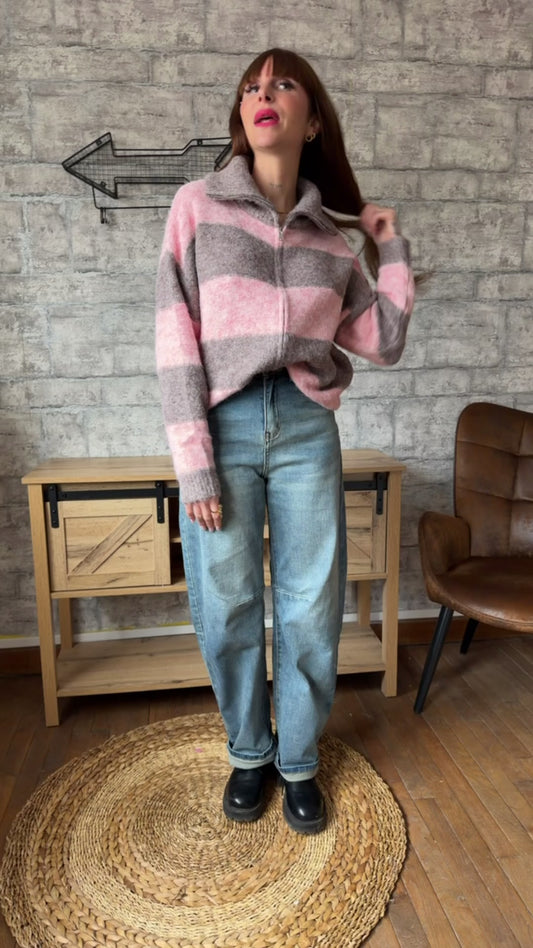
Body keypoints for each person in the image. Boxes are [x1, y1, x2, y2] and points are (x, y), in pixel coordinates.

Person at [156, 48, 415, 834]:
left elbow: (383, 340)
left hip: (305, 426)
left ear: (311, 122)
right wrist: (194, 465)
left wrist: (389, 246)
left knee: (309, 603)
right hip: (225, 423)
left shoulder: (330, 242)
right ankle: (249, 752)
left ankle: (297, 760)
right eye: (251, 87)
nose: (262, 94)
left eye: (282, 83)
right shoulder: (196, 207)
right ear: (242, 116)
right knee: (227, 603)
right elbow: (174, 339)